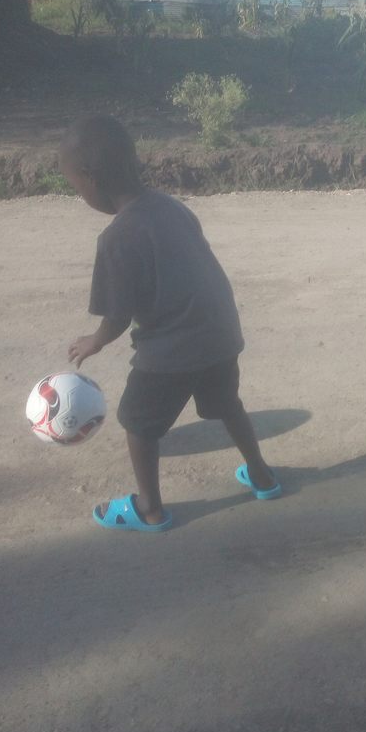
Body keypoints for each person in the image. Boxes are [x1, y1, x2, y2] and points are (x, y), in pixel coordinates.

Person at [60, 114, 280, 532]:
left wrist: (95, 341)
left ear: (89, 177)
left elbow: (117, 315)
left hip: (170, 352)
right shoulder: (172, 207)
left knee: (138, 425)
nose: (80, 194)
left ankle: (150, 509)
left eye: (75, 186)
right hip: (220, 336)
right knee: (227, 405)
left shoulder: (116, 238)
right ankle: (262, 476)